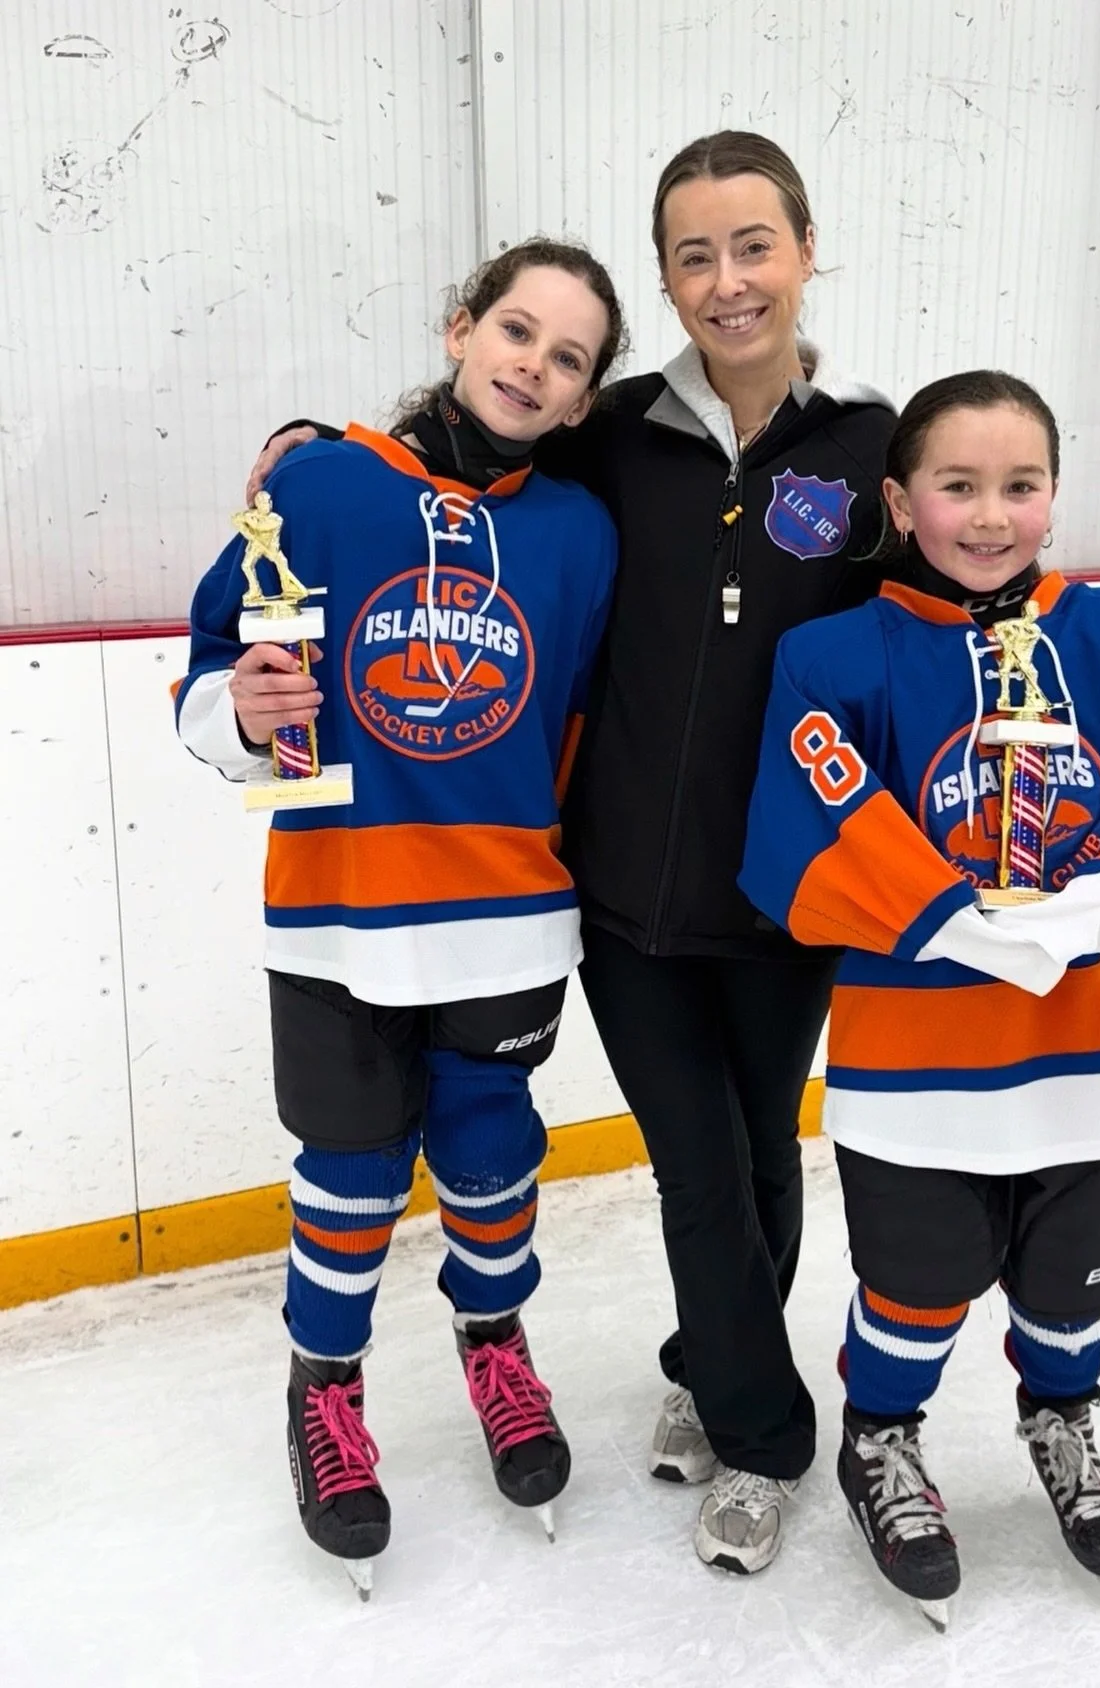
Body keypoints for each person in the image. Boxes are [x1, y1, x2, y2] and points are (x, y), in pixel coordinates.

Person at [246, 133, 1100, 1578]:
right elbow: (467, 463)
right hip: (618, 892)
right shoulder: (611, 429)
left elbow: (959, 590)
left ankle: (707, 1362)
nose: (726, 280)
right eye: (692, 255)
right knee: (696, 1168)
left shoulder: (864, 444)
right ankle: (767, 1439)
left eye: (751, 245)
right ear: (667, 278)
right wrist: (317, 451)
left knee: (763, 1156)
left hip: (783, 900)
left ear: (805, 249)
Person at [738, 370, 1100, 1628]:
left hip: (1091, 1047)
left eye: (1019, 485)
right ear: (901, 501)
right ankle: (882, 1439)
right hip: (918, 1064)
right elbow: (801, 835)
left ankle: (1063, 1424)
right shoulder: (835, 651)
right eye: (957, 486)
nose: (991, 513)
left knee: (1076, 1283)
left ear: (1055, 497)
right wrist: (952, 920)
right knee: (915, 1284)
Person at [177, 239, 625, 1595]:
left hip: (505, 920)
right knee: (351, 1174)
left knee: (491, 1161)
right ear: (458, 327)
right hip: (337, 917)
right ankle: (326, 1390)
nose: (531, 364)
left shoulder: (579, 531)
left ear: (582, 399)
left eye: (565, 358)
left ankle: (496, 1349)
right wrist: (238, 716)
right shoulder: (317, 485)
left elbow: (590, 720)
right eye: (516, 330)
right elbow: (219, 667)